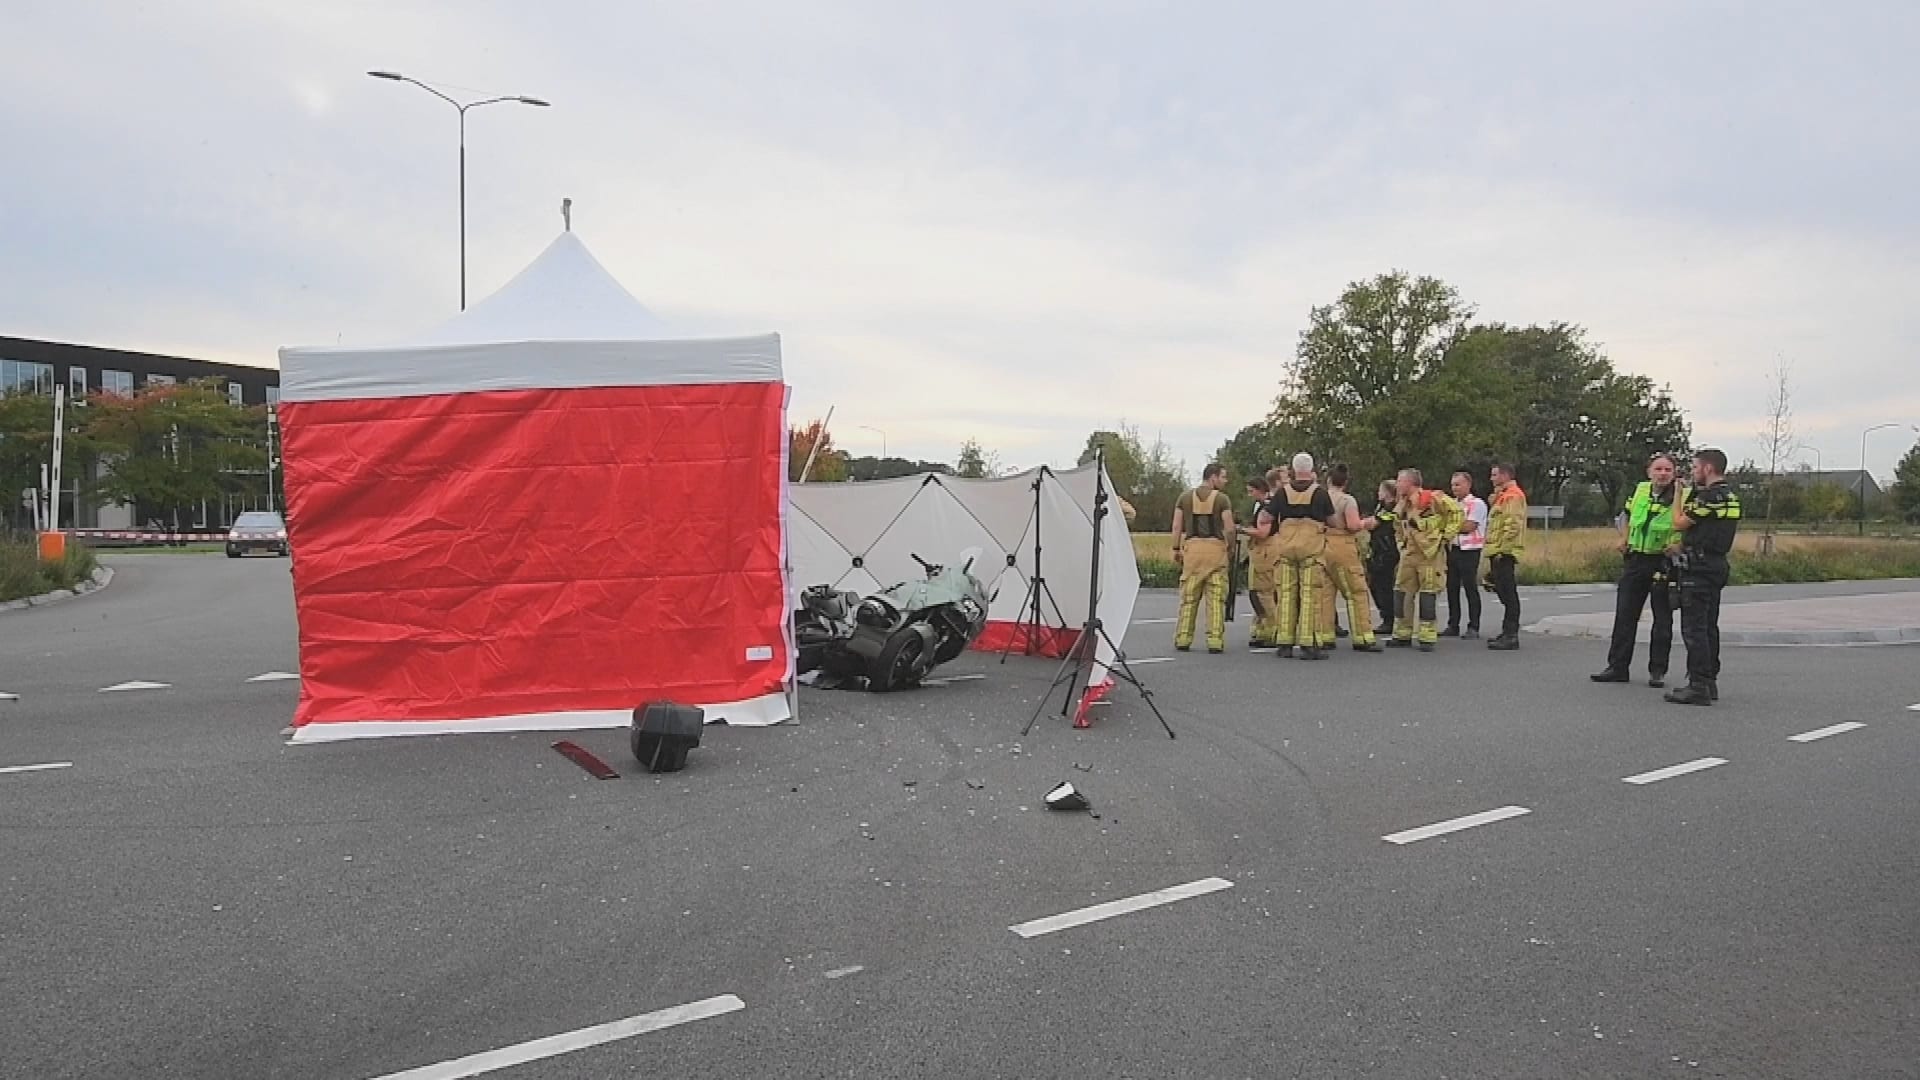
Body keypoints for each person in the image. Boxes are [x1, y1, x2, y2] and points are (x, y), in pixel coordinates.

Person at [1591, 454, 1685, 687]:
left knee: (1662, 619)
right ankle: (1617, 667)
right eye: (1658, 469)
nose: (1663, 473)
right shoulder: (1641, 490)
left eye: (1667, 470)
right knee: (1624, 615)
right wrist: (1623, 538)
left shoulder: (1682, 495)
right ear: (1649, 472)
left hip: (1662, 561)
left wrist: (1680, 546)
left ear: (1674, 473)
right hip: (1636, 559)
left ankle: (1657, 670)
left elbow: (1690, 525)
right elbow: (1626, 516)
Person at [1665, 448, 1741, 706]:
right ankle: (1709, 681)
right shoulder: (1729, 496)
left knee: (1694, 628)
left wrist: (1677, 494)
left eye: (1696, 467)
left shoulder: (1709, 498)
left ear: (1708, 468)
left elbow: (1678, 522)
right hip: (1717, 564)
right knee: (1709, 626)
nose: (1693, 472)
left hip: (1698, 567)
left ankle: (1697, 685)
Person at [1261, 453, 1337, 660]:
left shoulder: (1282, 493)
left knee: (1286, 595)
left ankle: (1284, 643)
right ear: (1311, 469)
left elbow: (1265, 516)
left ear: (1294, 470)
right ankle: (1308, 643)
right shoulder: (1320, 493)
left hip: (1286, 549)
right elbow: (1334, 521)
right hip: (1311, 550)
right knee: (1310, 596)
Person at [1388, 468, 1462, 652]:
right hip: (1409, 554)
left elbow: (1457, 513)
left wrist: (1446, 537)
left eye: (1400, 481)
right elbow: (1397, 524)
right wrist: (1400, 544)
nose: (1397, 484)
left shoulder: (1432, 498)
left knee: (1428, 595)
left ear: (1411, 483)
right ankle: (1402, 634)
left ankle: (1427, 637)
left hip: (1429, 554)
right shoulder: (1402, 504)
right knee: (1401, 593)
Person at [1316, 463, 1381, 652]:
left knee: (1326, 593)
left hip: (1322, 545)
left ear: (1328, 480)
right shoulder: (1347, 500)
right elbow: (1352, 525)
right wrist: (1367, 523)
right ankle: (1362, 637)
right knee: (1356, 591)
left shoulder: (1320, 497)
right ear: (1345, 482)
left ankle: (1325, 635)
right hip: (1342, 546)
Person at [1171, 463, 1235, 653]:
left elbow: (1176, 526)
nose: (1225, 481)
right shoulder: (1222, 499)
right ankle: (1215, 640)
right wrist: (1229, 547)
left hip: (1193, 551)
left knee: (1189, 597)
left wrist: (1176, 547)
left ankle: (1183, 638)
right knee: (1215, 599)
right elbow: (1230, 527)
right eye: (1223, 477)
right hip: (1215, 550)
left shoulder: (1184, 497)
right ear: (1213, 477)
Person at [1481, 463, 1527, 651]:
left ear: (1505, 475)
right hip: (1497, 550)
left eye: (1494, 475)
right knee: (1502, 591)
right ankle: (1507, 632)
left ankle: (1511, 635)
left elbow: (1512, 525)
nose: (1491, 478)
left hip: (1504, 552)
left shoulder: (1513, 496)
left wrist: (1503, 550)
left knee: (1508, 593)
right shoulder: (1502, 496)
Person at [1442, 470, 1488, 640]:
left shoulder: (1477, 504)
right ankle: (1453, 624)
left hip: (1470, 550)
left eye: (1458, 484)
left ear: (1468, 485)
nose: (1454, 488)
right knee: (1451, 588)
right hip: (1453, 548)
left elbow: (1469, 526)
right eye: (1453, 485)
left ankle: (1473, 626)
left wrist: (1449, 526)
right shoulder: (1451, 504)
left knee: (1470, 588)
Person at [1237, 474, 1275, 648]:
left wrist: (1242, 530)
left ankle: (1271, 630)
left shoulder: (1266, 508)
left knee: (1263, 593)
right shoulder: (1263, 506)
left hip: (1265, 553)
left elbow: (1262, 533)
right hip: (1261, 552)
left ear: (1260, 490)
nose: (1250, 495)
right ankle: (1261, 628)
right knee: (1256, 593)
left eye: (1252, 491)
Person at [1360, 480, 1399, 638]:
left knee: (1383, 585)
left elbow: (1373, 523)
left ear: (1388, 493)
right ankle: (1387, 616)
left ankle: (1389, 618)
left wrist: (1356, 523)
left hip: (1386, 551)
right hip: (1377, 550)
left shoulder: (1391, 509)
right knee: (1375, 584)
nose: (1378, 493)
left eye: (1381, 490)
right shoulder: (1381, 507)